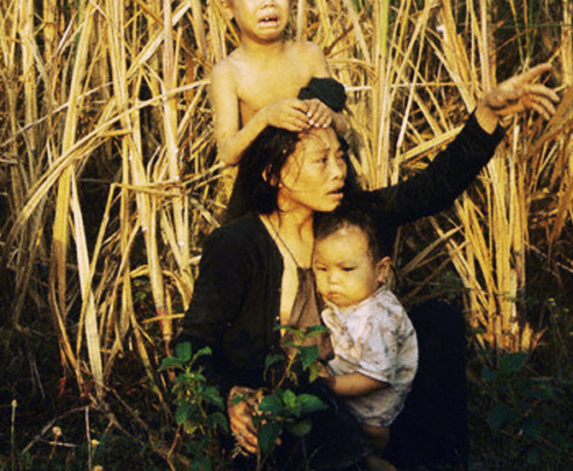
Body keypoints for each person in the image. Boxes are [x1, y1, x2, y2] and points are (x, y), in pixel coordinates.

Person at [180, 64, 557, 469]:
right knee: (309, 396)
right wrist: (231, 394)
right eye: (320, 161)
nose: (339, 171)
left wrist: (488, 115)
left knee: (438, 321)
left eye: (339, 156)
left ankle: (437, 462)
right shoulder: (239, 245)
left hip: (365, 401)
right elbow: (191, 349)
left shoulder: (349, 222)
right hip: (290, 416)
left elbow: (432, 188)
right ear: (274, 175)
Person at [209, 0, 347, 219]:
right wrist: (265, 117)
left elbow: (343, 127)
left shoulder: (309, 56)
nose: (268, 2)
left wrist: (328, 114)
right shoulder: (229, 72)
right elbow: (227, 152)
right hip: (264, 196)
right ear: (227, 8)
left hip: (319, 189)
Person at [312, 208, 417, 471]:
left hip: (377, 391)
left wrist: (332, 385)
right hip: (349, 373)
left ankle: (374, 458)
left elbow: (377, 376)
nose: (332, 279)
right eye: (321, 268)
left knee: (372, 430)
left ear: (381, 271)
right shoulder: (348, 297)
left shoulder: (378, 318)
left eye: (347, 268)